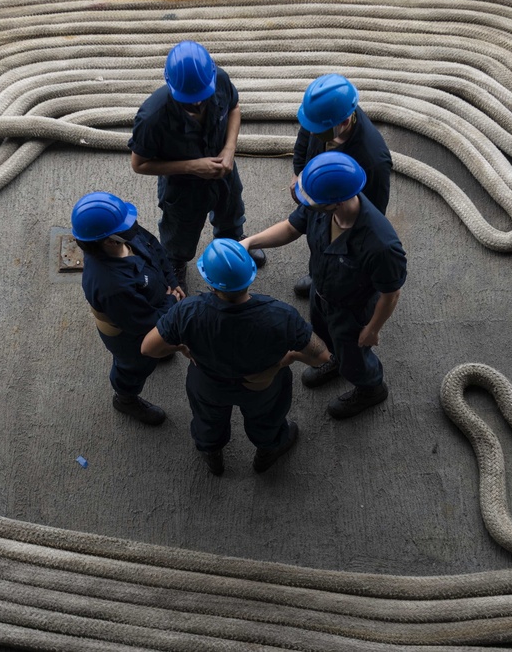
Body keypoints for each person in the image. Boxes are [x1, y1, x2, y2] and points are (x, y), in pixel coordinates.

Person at [141, 239, 331, 475]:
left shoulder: (187, 312)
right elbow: (321, 356)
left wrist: (180, 348)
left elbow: (149, 348)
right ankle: (269, 450)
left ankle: (212, 454)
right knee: (267, 418)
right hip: (262, 384)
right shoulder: (281, 316)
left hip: (208, 382)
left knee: (207, 419)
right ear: (250, 276)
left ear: (211, 284)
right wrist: (287, 359)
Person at [241, 152, 406, 420]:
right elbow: (292, 228)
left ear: (335, 203)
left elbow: (391, 293)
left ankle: (370, 388)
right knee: (323, 336)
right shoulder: (322, 206)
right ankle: (336, 361)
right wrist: (250, 242)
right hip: (322, 293)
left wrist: (373, 329)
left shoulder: (380, 244)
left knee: (355, 356)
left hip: (353, 312)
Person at [129, 40, 266, 293]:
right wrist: (192, 167)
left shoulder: (219, 80)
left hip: (224, 171)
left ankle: (233, 243)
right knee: (180, 230)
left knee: (232, 210)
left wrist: (229, 150)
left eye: (203, 98)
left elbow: (235, 108)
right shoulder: (152, 118)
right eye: (189, 101)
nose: (197, 105)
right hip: (182, 186)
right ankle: (176, 262)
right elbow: (139, 164)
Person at [72, 191, 184, 426]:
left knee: (156, 347)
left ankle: (158, 350)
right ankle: (125, 399)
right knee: (133, 365)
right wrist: (172, 303)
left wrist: (172, 281)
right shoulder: (111, 286)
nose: (133, 225)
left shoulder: (121, 233)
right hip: (130, 333)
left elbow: (154, 247)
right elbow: (141, 321)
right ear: (109, 241)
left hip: (156, 303)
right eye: (127, 224)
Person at [290, 74, 392, 298]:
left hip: (343, 209)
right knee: (318, 239)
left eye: (317, 129)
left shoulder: (372, 161)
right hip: (326, 196)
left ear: (345, 122)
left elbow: (374, 211)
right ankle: (318, 275)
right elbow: (304, 141)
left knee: (340, 255)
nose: (312, 131)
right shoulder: (324, 117)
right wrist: (300, 174)